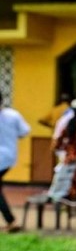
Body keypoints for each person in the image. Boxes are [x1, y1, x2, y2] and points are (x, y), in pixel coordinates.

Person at [0, 94, 30, 233]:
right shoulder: (13, 115)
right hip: (9, 157)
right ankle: (10, 220)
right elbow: (24, 132)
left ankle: (11, 220)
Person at [54, 98, 76, 201]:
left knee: (68, 180)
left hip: (68, 156)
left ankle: (67, 204)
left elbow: (59, 140)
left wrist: (62, 150)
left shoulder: (68, 123)